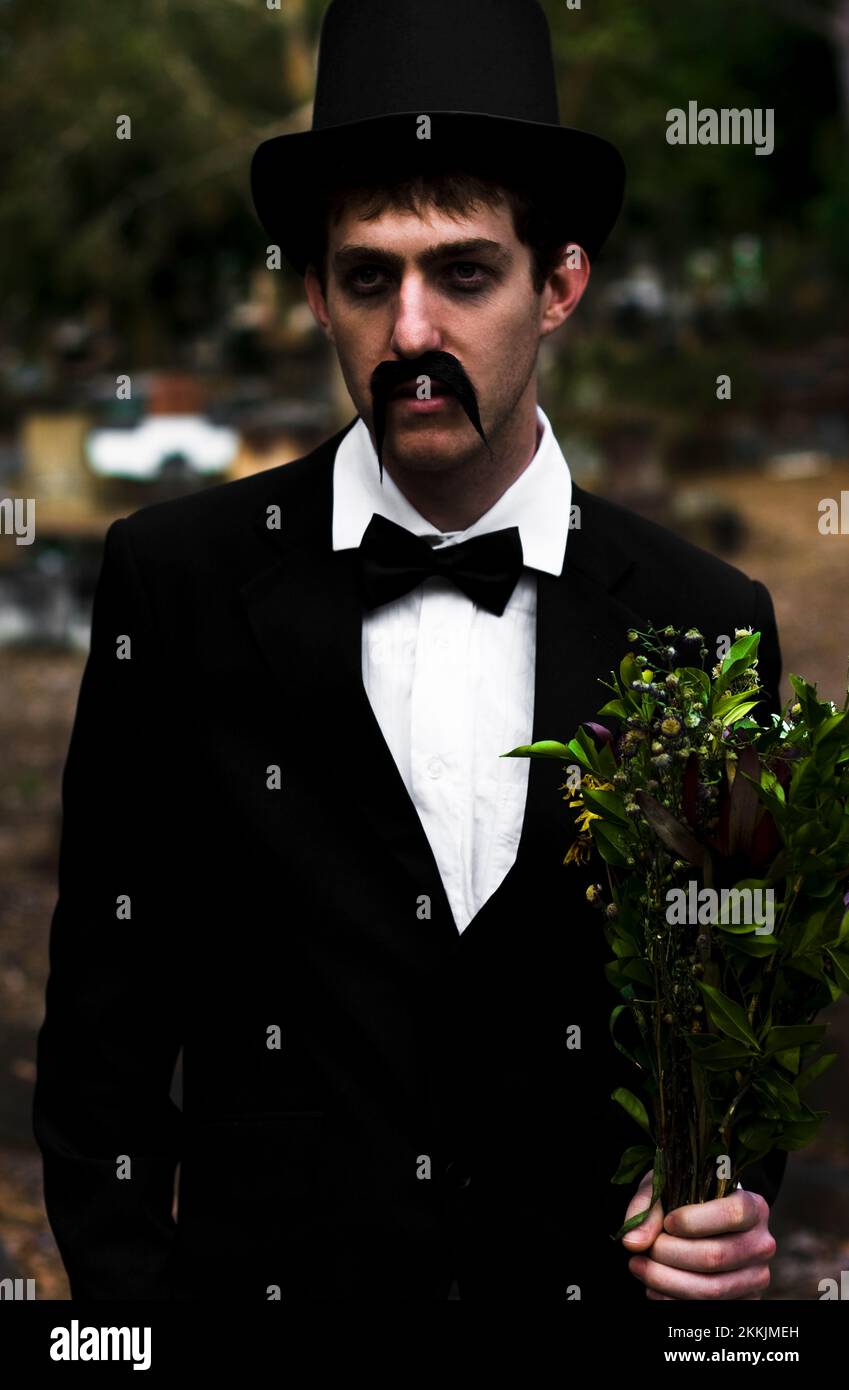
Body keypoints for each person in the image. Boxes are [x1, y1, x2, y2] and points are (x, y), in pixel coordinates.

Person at [33, 0, 784, 1301]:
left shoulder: (704, 619)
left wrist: (720, 1197)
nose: (413, 332)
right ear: (317, 292)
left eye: (465, 272)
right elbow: (106, 1016)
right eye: (369, 277)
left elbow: (741, 1013)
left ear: (558, 283)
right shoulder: (178, 582)